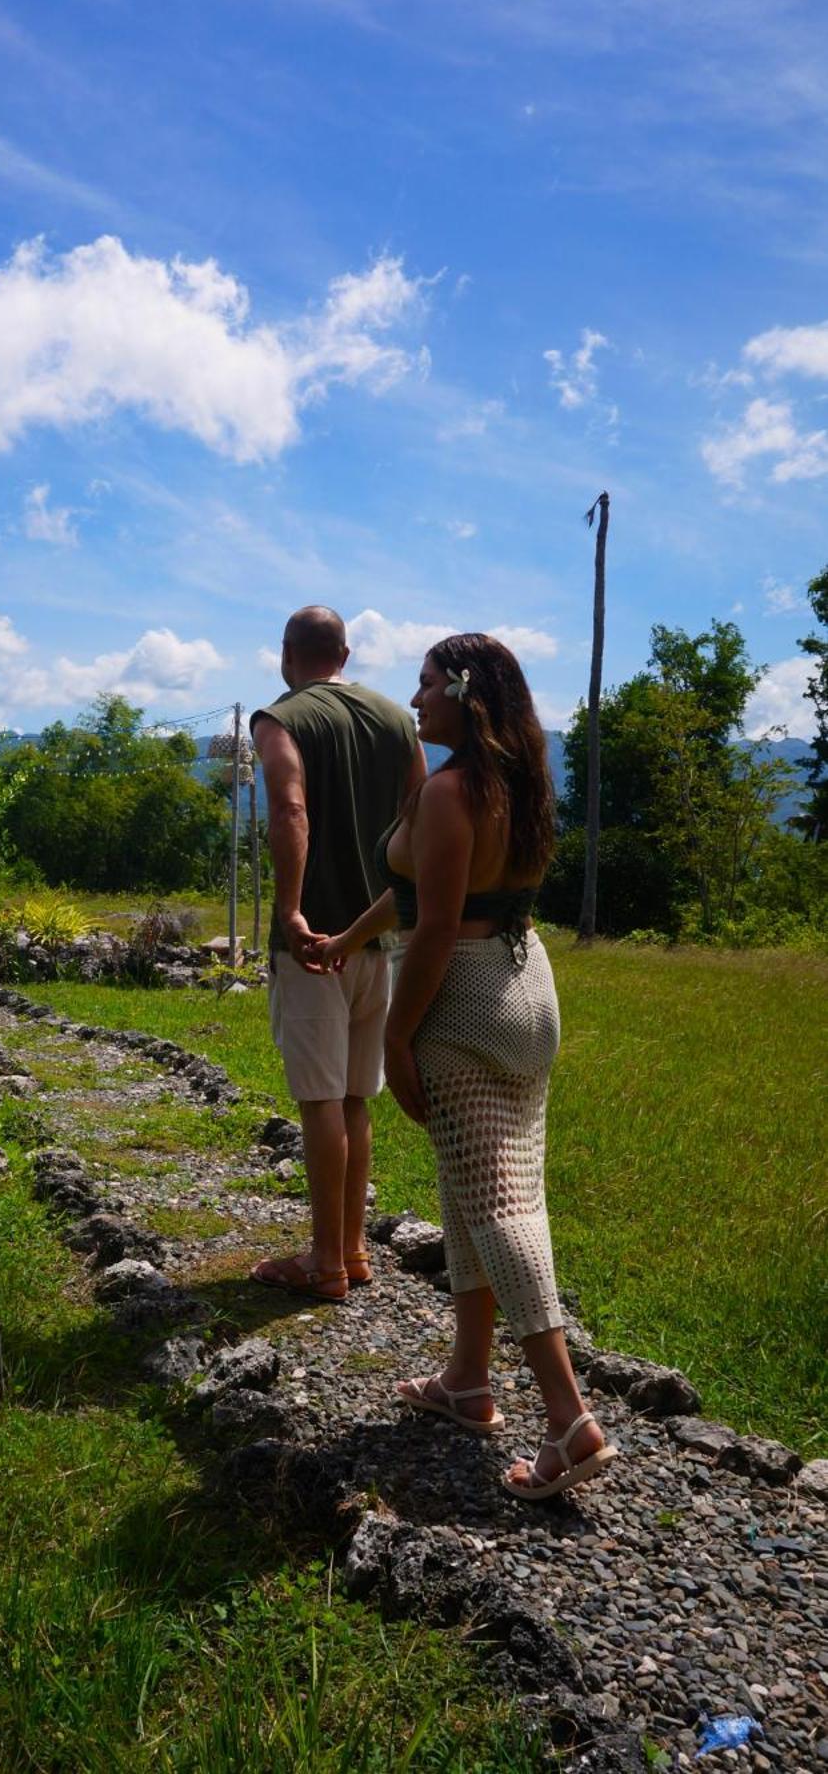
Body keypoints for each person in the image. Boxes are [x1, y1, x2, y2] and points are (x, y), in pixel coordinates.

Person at [313, 633, 616, 1501]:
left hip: (462, 1001)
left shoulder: (447, 793)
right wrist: (346, 939)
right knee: (477, 1186)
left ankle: (569, 1419)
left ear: (463, 692)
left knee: (500, 1202)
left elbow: (438, 926)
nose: (414, 701)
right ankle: (468, 1381)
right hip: (528, 990)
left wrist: (399, 1037)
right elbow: (417, 899)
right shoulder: (516, 789)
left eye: (423, 685)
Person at [248, 605, 426, 1305]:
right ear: (345, 653)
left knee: (319, 1101)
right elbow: (421, 818)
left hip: (316, 943)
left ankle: (323, 1263)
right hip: (376, 936)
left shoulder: (282, 717)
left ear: (286, 653)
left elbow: (291, 809)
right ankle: (352, 1251)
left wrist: (290, 908)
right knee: (355, 1100)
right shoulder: (396, 720)